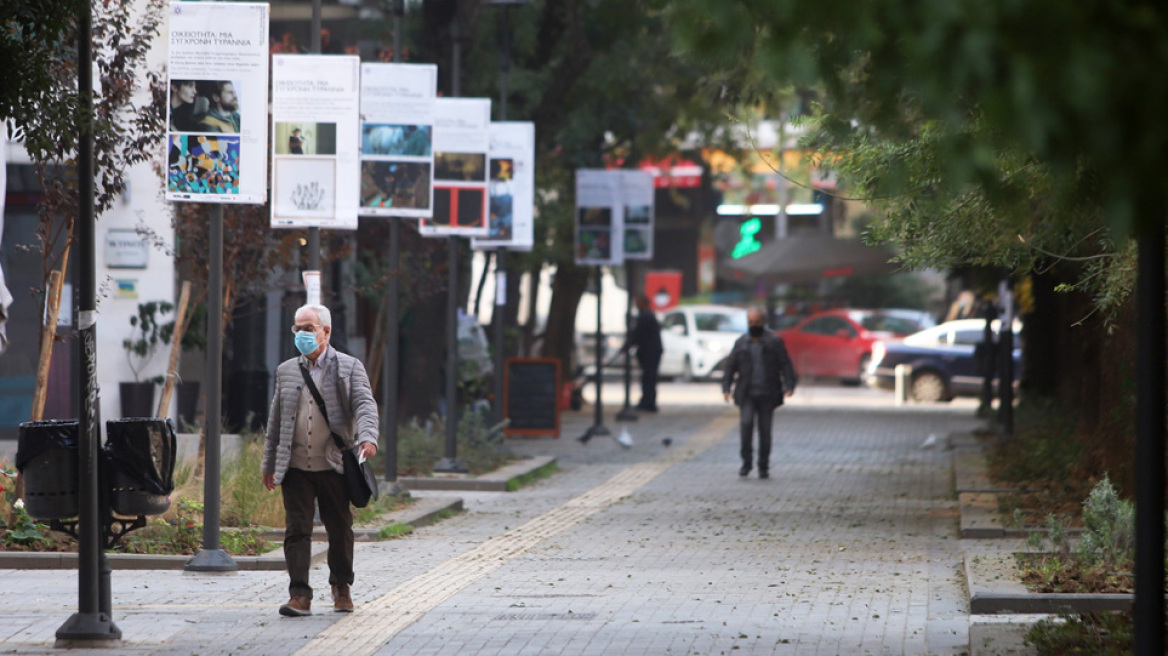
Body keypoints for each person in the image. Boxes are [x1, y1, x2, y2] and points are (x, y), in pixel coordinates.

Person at [262, 304, 379, 617]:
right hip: (296, 464)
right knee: (296, 530)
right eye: (297, 328)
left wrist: (368, 437)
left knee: (339, 527)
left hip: (334, 464)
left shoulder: (349, 366)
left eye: (308, 328)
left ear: (326, 332)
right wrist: (269, 462)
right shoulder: (286, 370)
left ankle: (341, 586)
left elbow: (365, 405)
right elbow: (276, 420)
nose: (301, 334)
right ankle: (299, 595)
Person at [722, 307, 797, 479]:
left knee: (765, 430)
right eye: (750, 322)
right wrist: (726, 387)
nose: (753, 325)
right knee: (746, 425)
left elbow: (785, 363)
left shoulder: (774, 342)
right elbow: (730, 366)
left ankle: (763, 466)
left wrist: (790, 384)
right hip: (746, 392)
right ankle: (746, 462)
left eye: (756, 322)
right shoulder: (741, 342)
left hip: (768, 393)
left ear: (763, 322)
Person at [626, 294, 663, 412]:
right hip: (650, 351)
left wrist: (627, 345)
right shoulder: (647, 315)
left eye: (638, 302)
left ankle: (648, 402)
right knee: (649, 377)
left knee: (648, 377)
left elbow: (638, 334)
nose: (637, 305)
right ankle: (648, 401)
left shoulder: (646, 316)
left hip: (651, 351)